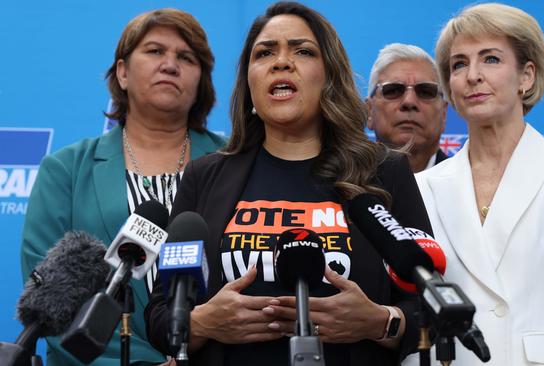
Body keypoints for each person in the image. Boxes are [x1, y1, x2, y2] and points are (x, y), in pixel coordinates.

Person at [145, 2, 432, 365]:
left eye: (303, 51)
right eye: (264, 53)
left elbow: (430, 306)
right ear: (249, 83)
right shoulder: (205, 176)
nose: (282, 62)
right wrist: (201, 323)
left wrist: (380, 322)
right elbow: (159, 316)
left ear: (329, 76)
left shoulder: (385, 173)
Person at [414, 3, 544, 365]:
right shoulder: (423, 185)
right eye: (459, 64)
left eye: (491, 59)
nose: (472, 75)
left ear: (526, 76)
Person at [21, 8, 225, 366]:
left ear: (201, 81)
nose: (170, 64)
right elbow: (51, 303)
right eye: (155, 51)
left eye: (186, 57)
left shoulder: (234, 161)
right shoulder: (65, 170)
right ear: (122, 72)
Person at [366, 43, 448, 173]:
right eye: (393, 90)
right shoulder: (340, 187)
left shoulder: (471, 186)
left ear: (444, 113)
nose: (409, 101)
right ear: (369, 111)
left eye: (425, 92)